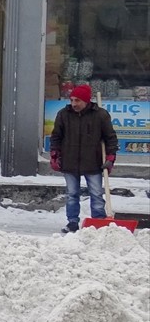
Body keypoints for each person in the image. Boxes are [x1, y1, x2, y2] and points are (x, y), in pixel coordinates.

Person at [48, 83, 118, 233]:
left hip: (93, 162)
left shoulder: (100, 115)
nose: (74, 104)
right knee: (72, 194)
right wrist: (55, 154)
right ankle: (72, 222)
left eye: (77, 100)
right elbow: (56, 137)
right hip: (70, 161)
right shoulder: (63, 114)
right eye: (72, 100)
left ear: (86, 100)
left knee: (96, 194)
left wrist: (111, 157)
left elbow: (110, 138)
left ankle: (97, 222)